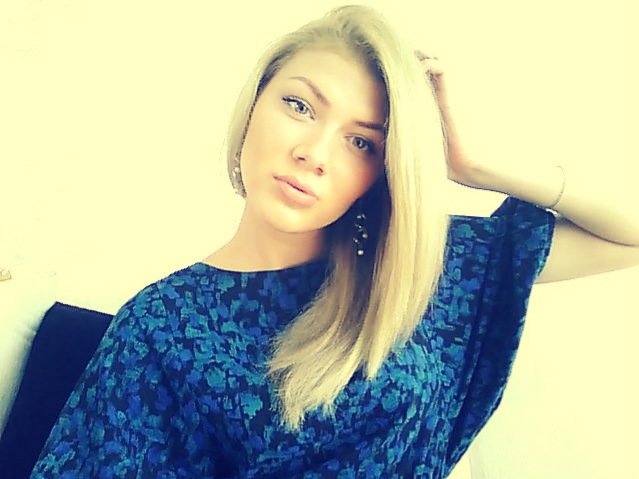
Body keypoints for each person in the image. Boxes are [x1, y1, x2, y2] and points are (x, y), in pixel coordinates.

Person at [30, 5, 639, 478]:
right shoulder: (160, 326)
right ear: (254, 103)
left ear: (382, 169)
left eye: (361, 142)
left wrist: (477, 164)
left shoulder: (422, 262)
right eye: (299, 106)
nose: (314, 153)